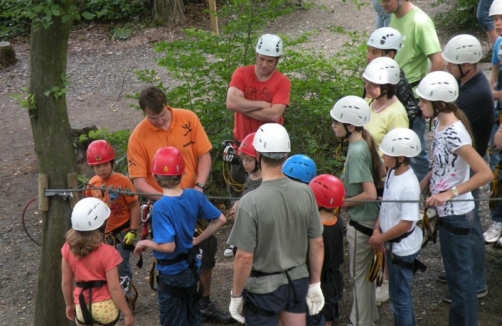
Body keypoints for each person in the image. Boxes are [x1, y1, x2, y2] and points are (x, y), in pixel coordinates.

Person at [127, 86, 233, 323]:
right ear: (144, 112)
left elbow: (204, 155)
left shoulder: (188, 118)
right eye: (152, 117)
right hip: (166, 206)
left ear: (167, 105)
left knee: (206, 254)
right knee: (174, 254)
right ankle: (177, 301)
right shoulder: (138, 136)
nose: (160, 121)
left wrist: (198, 187)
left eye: (162, 114)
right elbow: (139, 182)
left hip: (194, 199)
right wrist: (170, 202)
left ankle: (202, 300)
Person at [227, 123, 325, 325]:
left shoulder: (250, 202)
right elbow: (317, 243)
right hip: (297, 281)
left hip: (263, 288)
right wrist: (315, 282)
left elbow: (244, 256)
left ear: (259, 155)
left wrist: (236, 295)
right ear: (286, 153)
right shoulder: (305, 192)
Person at [417, 71, 493, 326]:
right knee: (456, 277)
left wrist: (449, 193)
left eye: (423, 101)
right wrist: (429, 177)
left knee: (461, 283)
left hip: (457, 214)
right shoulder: (442, 124)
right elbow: (448, 164)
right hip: (448, 213)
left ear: (438, 103)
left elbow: (485, 173)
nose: (419, 105)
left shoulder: (454, 134)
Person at [133, 147, 226, 326]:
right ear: (182, 173)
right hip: (191, 268)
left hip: (171, 273)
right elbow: (220, 219)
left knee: (174, 320)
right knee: (193, 315)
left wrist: (145, 242)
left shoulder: (161, 207)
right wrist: (198, 240)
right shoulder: (193, 195)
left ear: (155, 176)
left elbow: (169, 247)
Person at [441, 34, 492, 301]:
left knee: (469, 226)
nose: (447, 68)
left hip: (469, 167)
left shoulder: (474, 95)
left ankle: (475, 283)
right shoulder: (472, 83)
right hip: (467, 163)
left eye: (451, 64)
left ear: (467, 66)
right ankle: (462, 271)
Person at [330, 96, 382, 326]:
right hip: (366, 220)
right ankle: (368, 317)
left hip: (362, 223)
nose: (332, 126)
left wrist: (342, 203)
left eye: (336, 122)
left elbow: (370, 193)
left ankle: (360, 322)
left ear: (351, 127)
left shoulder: (357, 151)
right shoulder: (360, 144)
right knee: (364, 276)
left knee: (358, 276)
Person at [381, 0, 444, 182]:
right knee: (395, 144)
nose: (382, 4)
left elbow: (438, 61)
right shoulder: (393, 17)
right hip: (394, 93)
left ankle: (421, 194)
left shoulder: (419, 22)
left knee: (415, 150)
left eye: (386, 0)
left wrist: (427, 98)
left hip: (413, 97)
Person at [368, 128, 424, 326]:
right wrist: (377, 229)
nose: (383, 156)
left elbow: (406, 223)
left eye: (387, 154)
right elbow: (385, 206)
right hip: (391, 244)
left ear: (400, 157)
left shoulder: (409, 185)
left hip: (401, 249)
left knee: (400, 299)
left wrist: (379, 239)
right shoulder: (392, 172)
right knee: (398, 296)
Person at [226, 34, 291, 199]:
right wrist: (261, 104)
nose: (264, 64)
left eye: (270, 61)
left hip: (269, 150)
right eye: (261, 59)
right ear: (256, 56)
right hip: (242, 145)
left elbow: (275, 114)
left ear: (277, 60)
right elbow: (231, 103)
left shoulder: (282, 82)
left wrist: (243, 106)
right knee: (237, 189)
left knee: (268, 194)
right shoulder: (241, 73)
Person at [61, 197, 134, 326]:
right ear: (102, 224)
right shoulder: (108, 252)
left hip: (81, 305)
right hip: (105, 306)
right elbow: (115, 288)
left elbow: (66, 282)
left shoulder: (67, 247)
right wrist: (127, 313)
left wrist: (69, 305)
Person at [85, 139, 140, 280]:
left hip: (122, 233)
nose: (101, 169)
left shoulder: (123, 181)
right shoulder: (92, 184)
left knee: (121, 267)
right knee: (103, 268)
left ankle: (127, 298)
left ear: (112, 163)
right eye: (97, 166)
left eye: (104, 164)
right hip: (101, 234)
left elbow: (134, 206)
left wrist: (133, 230)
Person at [307, 174, 346, 326]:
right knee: (328, 314)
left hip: (318, 279)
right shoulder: (338, 222)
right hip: (334, 279)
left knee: (315, 314)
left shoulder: (315, 230)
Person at [365, 27, 421, 124]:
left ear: (390, 55)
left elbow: (409, 115)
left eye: (374, 52)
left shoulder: (398, 81)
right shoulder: (371, 73)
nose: (368, 56)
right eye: (368, 50)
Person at [223, 132, 262, 258]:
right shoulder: (250, 176)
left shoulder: (264, 180)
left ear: (260, 160)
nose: (244, 163)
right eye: (242, 159)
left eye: (248, 160)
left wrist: (241, 207)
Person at [362, 56, 409, 153]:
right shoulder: (369, 100)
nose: (366, 86)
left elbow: (398, 151)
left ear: (386, 88)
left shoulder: (397, 115)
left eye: (372, 84)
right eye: (366, 81)